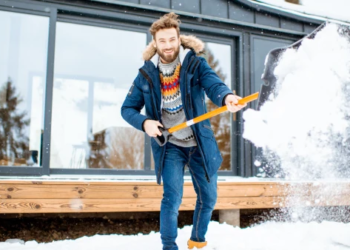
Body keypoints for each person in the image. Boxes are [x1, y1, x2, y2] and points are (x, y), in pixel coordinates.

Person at [121, 12, 246, 250]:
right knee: (171, 199)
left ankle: (197, 241)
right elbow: (127, 109)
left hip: (199, 143)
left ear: (179, 39)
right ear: (155, 43)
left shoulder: (194, 64)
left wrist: (226, 97)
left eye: (171, 39)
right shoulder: (146, 75)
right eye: (162, 41)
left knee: (208, 198)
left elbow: (213, 84)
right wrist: (145, 122)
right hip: (170, 145)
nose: (168, 45)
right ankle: (169, 247)